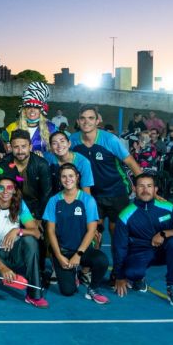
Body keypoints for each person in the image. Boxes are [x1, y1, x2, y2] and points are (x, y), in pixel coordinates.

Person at [113, 173, 173, 306]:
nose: (145, 190)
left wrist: (164, 233)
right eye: (141, 186)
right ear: (134, 188)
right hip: (141, 252)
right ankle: (139, 278)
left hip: (164, 251)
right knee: (131, 273)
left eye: (149, 186)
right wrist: (119, 276)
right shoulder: (126, 215)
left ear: (155, 189)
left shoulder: (167, 207)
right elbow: (120, 247)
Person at [71, 105, 142, 252]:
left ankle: (119, 270)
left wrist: (146, 186)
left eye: (91, 118)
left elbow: (131, 163)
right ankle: (92, 270)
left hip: (117, 192)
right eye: (83, 118)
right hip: (92, 195)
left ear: (98, 121)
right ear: (78, 121)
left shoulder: (110, 139)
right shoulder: (72, 141)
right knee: (93, 233)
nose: (86, 122)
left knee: (116, 232)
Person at [44, 164, 109, 304]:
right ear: (60, 179)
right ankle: (72, 276)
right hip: (62, 252)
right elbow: (50, 231)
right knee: (68, 291)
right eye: (64, 176)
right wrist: (59, 256)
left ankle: (93, 289)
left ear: (77, 178)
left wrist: (78, 255)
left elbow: (92, 230)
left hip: (82, 251)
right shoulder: (53, 201)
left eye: (71, 176)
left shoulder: (88, 200)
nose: (68, 179)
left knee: (102, 260)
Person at [0, 172, 47, 308]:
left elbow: (36, 232)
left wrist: (17, 230)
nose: (5, 191)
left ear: (15, 190)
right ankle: (1, 276)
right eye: (1, 188)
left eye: (10, 187)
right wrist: (3, 268)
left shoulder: (20, 205)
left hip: (15, 252)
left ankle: (34, 294)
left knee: (30, 241)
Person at [0, 130, 52, 219]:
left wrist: (39, 217)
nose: (20, 151)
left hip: (34, 208)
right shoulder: (4, 163)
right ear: (11, 148)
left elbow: (46, 194)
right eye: (16, 147)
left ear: (30, 147)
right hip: (10, 206)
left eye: (24, 146)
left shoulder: (41, 164)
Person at [4, 82, 56, 154]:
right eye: (29, 107)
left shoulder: (51, 128)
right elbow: (2, 145)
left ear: (41, 110)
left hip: (43, 164)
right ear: (24, 110)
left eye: (36, 107)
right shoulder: (12, 127)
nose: (32, 110)